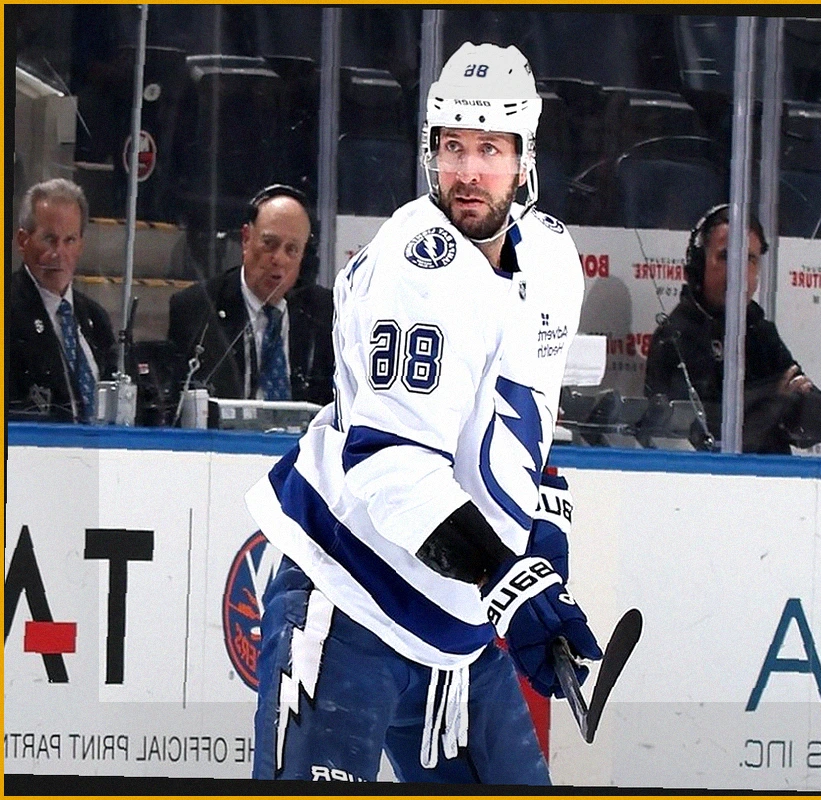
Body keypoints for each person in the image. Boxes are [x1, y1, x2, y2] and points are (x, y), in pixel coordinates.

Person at [243, 42, 601, 784]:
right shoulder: (417, 264)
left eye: (490, 149)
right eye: (453, 147)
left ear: (525, 158)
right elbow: (390, 463)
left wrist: (540, 539)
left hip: (454, 631)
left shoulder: (551, 259)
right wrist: (510, 580)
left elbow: (524, 421)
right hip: (349, 596)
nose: (467, 172)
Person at [644, 204, 821, 454]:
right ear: (699, 264)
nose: (739, 271)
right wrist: (775, 403)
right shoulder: (675, 337)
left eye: (750, 259)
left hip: (772, 476)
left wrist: (798, 405)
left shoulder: (760, 332)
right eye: (726, 256)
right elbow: (700, 435)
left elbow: (814, 425)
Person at [166, 184, 335, 406]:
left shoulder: (326, 313)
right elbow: (179, 405)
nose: (279, 259)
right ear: (246, 239)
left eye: (292, 249)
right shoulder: (197, 308)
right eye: (269, 244)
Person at [8, 178, 116, 422]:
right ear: (23, 241)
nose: (59, 253)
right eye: (49, 239)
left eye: (70, 240)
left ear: (81, 245)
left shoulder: (95, 318)